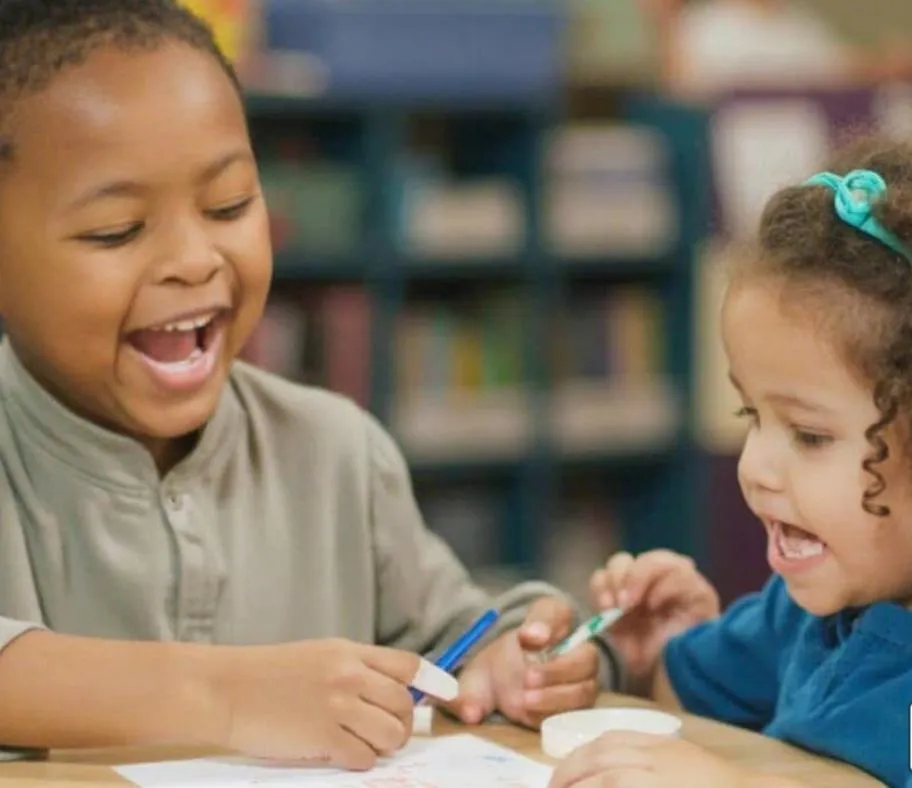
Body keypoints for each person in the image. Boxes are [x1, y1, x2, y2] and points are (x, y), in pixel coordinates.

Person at [0, 0, 611, 770]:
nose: (195, 259)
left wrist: (512, 656)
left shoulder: (334, 451)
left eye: (229, 205)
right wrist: (230, 697)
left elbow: (452, 629)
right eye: (116, 230)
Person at [549, 138, 912, 787]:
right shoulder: (804, 616)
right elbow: (685, 704)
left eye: (810, 435)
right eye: (750, 417)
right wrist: (650, 657)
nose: (755, 467)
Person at [641, 0, 912, 101]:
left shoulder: (799, 26)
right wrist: (665, 23)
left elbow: (842, 68)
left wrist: (890, 66)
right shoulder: (704, 25)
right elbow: (681, 88)